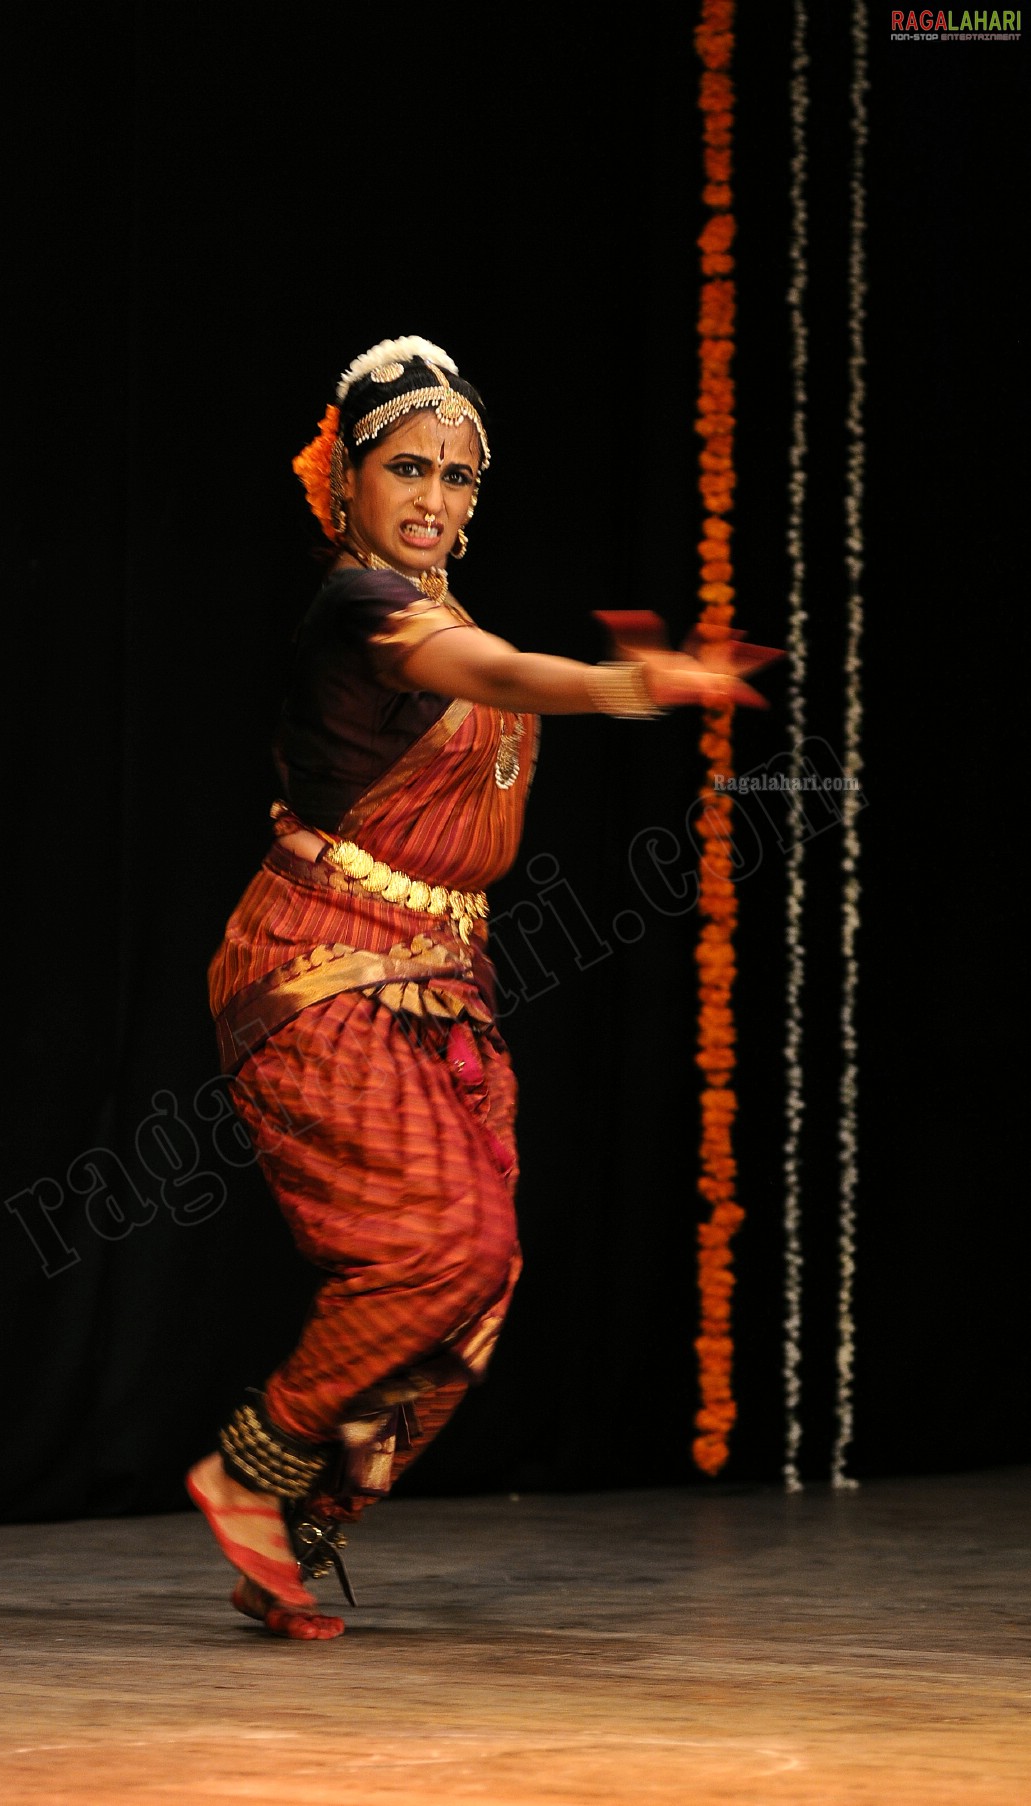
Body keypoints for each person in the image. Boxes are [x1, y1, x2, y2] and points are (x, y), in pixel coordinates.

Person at [185, 336, 774, 1640]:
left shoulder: (444, 613)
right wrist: (626, 684)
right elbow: (498, 676)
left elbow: (488, 671)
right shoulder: (361, 605)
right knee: (446, 1246)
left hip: (443, 983)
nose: (435, 497)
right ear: (344, 481)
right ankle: (249, 1464)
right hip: (318, 966)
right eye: (408, 466)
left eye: (458, 476)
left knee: (476, 1292)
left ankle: (292, 1532)